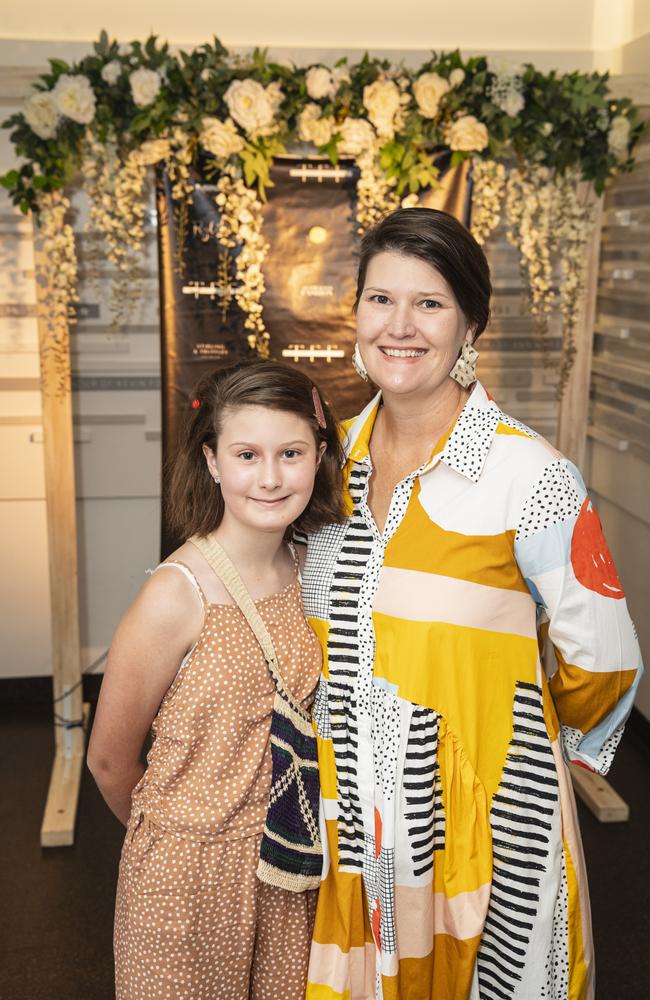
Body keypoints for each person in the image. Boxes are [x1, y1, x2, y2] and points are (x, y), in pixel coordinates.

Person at [299, 208, 643, 1000]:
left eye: (430, 303)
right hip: (351, 829)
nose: (400, 326)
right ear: (355, 312)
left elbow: (606, 661)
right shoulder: (322, 464)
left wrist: (501, 736)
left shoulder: (531, 476)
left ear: (470, 324)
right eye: (381, 299)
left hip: (482, 831)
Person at [87, 360, 345, 1000]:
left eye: (291, 452)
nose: (270, 477)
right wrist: (176, 851)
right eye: (247, 454)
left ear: (318, 455)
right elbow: (110, 761)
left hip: (288, 867)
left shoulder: (311, 566)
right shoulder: (178, 593)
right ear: (212, 461)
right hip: (187, 878)